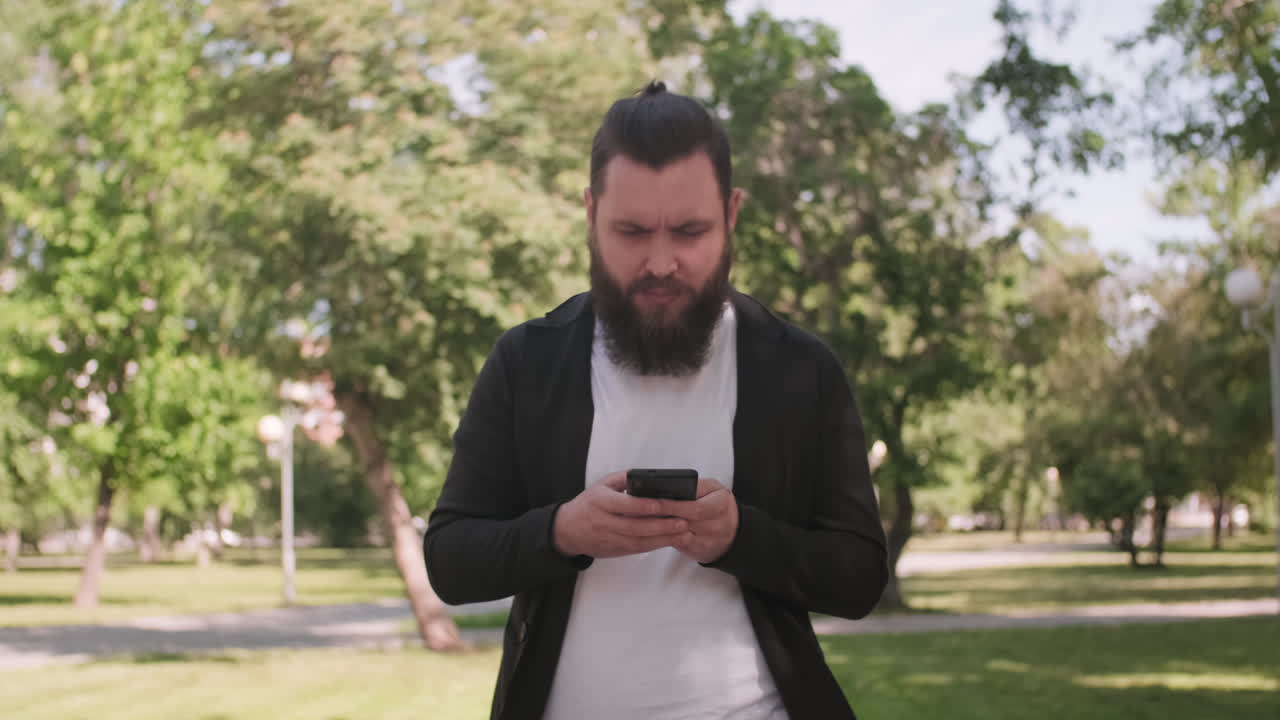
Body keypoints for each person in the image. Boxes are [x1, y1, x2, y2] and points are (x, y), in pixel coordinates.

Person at [425, 81, 888, 720]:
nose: (662, 262)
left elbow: (859, 577)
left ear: (732, 214)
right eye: (633, 231)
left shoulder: (799, 369)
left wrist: (741, 537)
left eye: (690, 231)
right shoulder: (527, 362)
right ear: (591, 214)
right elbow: (450, 560)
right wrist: (562, 531)